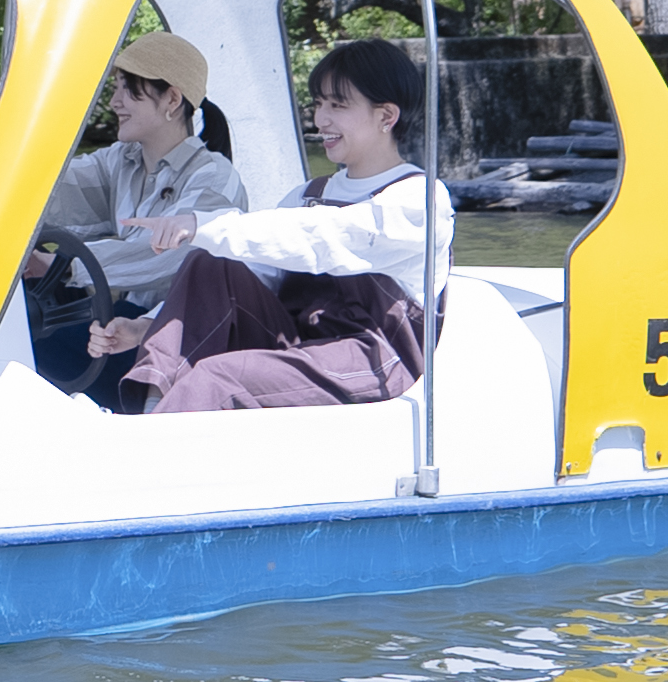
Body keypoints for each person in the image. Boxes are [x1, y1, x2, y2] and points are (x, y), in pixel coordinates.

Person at [91, 37, 442, 415]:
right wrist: (146, 326)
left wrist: (200, 224)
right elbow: (254, 269)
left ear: (386, 117)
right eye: (319, 104)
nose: (321, 119)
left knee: (218, 377)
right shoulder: (308, 193)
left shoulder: (419, 199)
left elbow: (325, 238)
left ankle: (146, 448)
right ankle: (148, 417)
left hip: (376, 360)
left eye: (338, 106)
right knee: (211, 263)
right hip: (303, 349)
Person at [0, 32, 247, 389]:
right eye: (115, 89)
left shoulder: (215, 177)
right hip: (119, 319)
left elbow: (172, 255)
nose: (115, 102)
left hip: (172, 333)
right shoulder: (120, 161)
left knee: (10, 334)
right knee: (2, 308)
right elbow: (49, 191)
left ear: (172, 98)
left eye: (127, 89)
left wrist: (64, 266)